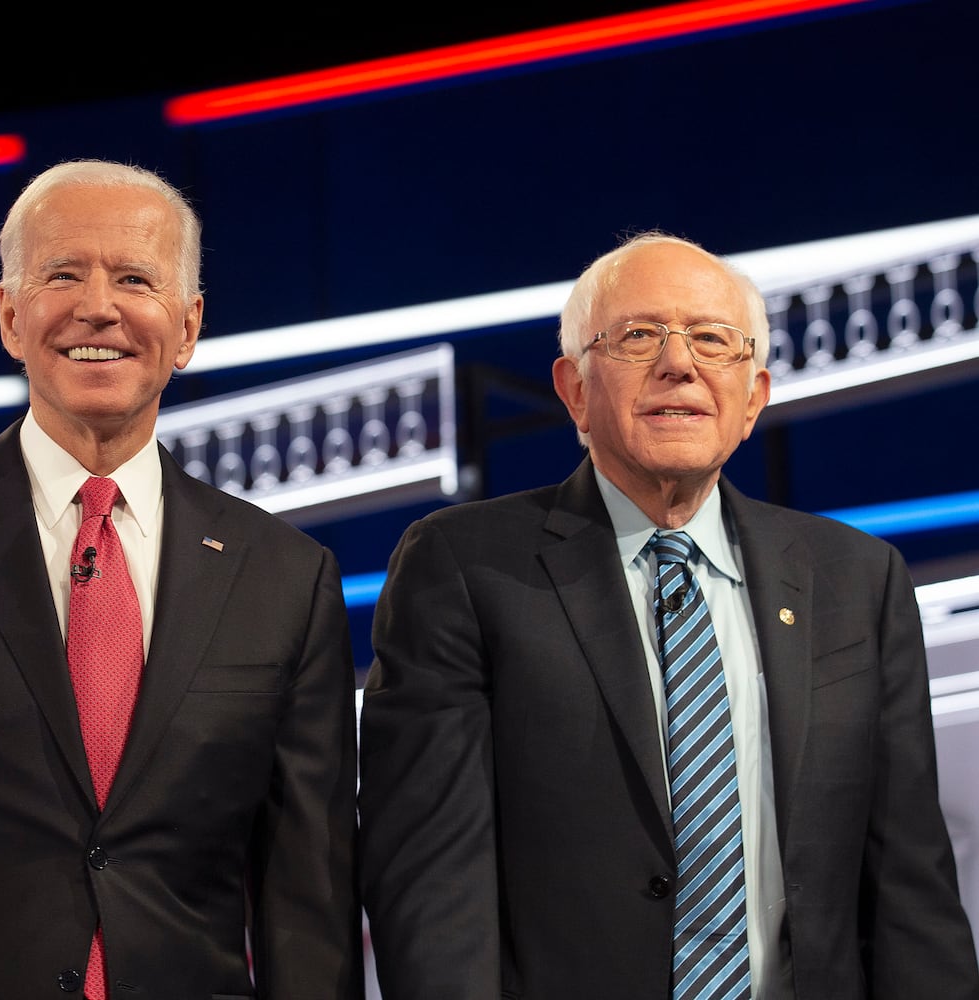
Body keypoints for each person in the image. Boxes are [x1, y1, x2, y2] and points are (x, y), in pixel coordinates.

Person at [0, 159, 362, 999]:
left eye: (134, 279)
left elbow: (307, 895)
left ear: (186, 327)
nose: (97, 307)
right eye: (62, 274)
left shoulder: (286, 577)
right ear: (11, 316)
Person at [357, 232, 979, 998]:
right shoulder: (462, 565)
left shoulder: (857, 578)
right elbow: (427, 881)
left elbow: (909, 883)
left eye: (713, 340)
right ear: (574, 389)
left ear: (753, 398)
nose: (678, 363)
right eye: (638, 336)